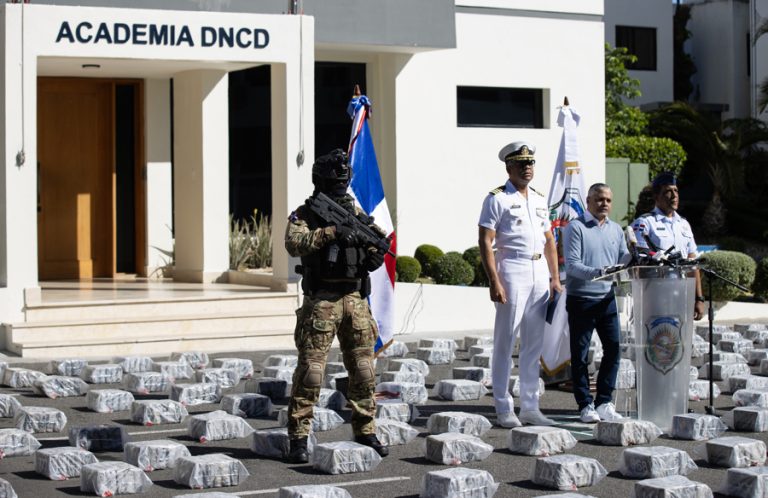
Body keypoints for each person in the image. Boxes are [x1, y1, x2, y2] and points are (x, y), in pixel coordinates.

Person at [284, 149, 390, 463]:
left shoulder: (354, 212)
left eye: (343, 180)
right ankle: (299, 437)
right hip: (322, 301)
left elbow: (376, 241)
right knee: (311, 373)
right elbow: (293, 244)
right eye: (336, 181)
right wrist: (331, 233)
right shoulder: (306, 213)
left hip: (355, 300)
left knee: (364, 371)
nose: (341, 186)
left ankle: (365, 429)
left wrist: (373, 255)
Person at [478, 141, 562, 427]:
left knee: (533, 343)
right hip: (512, 268)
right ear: (509, 167)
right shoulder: (497, 198)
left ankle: (530, 406)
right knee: (505, 341)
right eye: (521, 163)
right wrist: (494, 280)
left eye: (531, 163)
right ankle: (503, 406)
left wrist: (555, 278)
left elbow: (549, 241)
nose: (527, 168)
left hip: (539, 270)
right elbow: (485, 241)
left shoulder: (539, 199)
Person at [563, 183, 631, 423]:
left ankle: (604, 402)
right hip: (581, 299)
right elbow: (572, 265)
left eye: (608, 200)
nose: (604, 204)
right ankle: (585, 405)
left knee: (613, 350)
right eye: (600, 199)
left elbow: (623, 257)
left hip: (607, 299)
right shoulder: (576, 227)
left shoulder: (616, 229)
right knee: (580, 355)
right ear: (589, 201)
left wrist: (635, 256)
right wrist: (599, 273)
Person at [631, 172, 705, 321]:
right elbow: (640, 262)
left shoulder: (684, 224)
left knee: (680, 334)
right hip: (655, 295)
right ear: (656, 196)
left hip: (682, 294)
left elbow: (693, 263)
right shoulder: (645, 223)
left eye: (676, 191)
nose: (674, 195)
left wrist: (699, 298)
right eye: (668, 191)